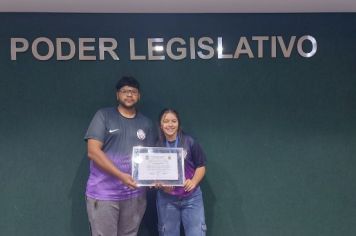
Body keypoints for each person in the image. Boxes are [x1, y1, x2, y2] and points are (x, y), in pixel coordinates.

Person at [84, 76, 155, 236]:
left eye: (133, 91)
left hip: (134, 195)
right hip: (104, 194)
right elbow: (93, 151)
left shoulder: (146, 123)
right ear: (117, 95)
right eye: (124, 91)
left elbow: (150, 157)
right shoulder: (103, 116)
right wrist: (121, 176)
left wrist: (152, 177)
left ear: (139, 96)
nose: (129, 95)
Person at [156, 108, 207, 236]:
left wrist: (194, 181)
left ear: (178, 124)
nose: (170, 124)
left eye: (174, 121)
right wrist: (161, 185)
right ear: (161, 125)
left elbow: (201, 166)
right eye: (166, 121)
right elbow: (154, 174)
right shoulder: (156, 146)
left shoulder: (190, 142)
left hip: (191, 198)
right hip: (167, 199)